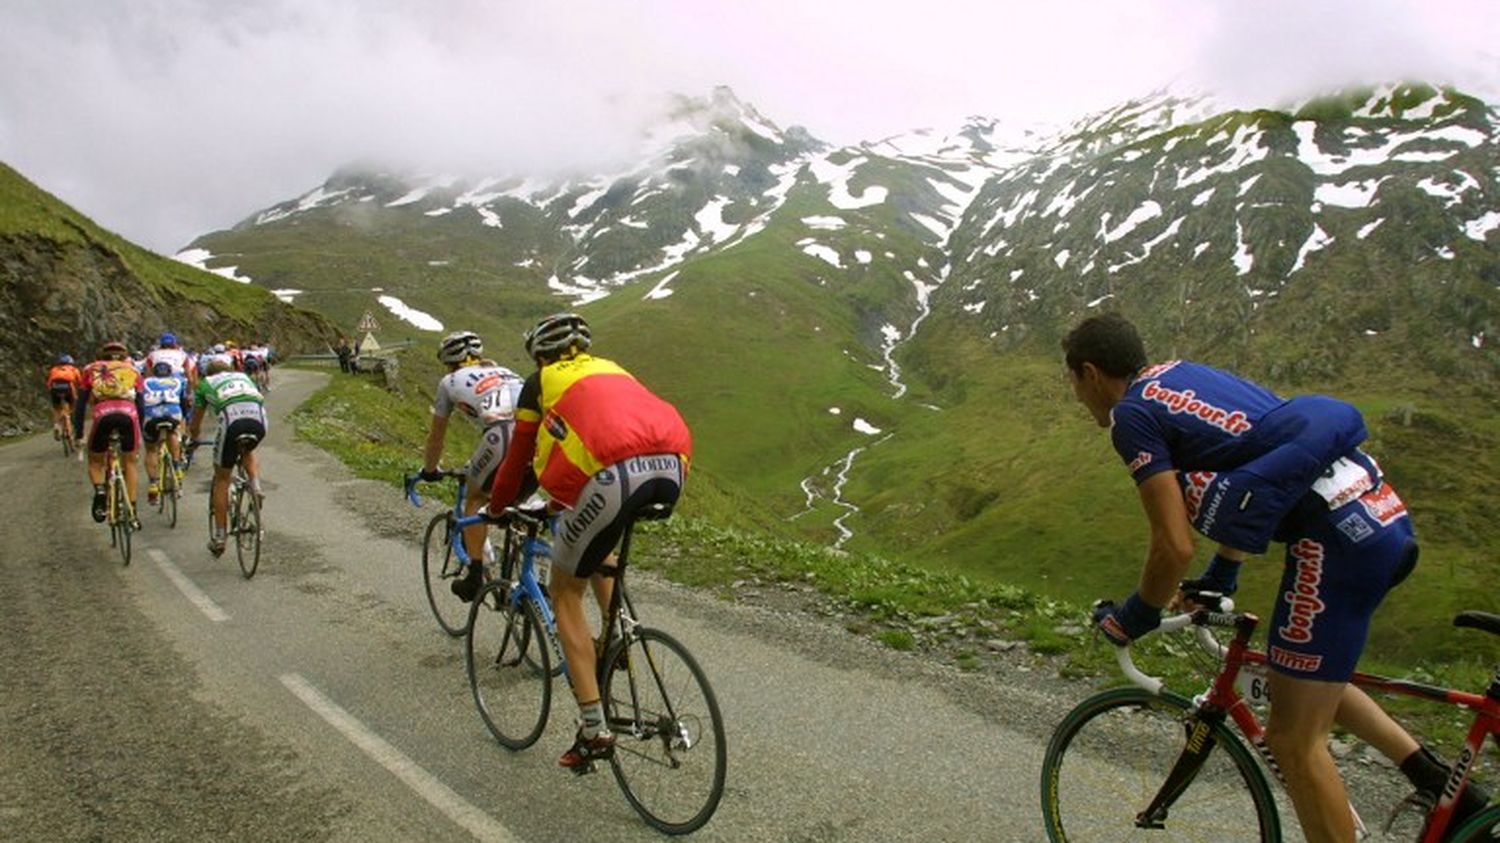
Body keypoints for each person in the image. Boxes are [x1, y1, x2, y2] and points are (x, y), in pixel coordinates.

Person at [1064, 313, 1487, 842]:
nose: (1077, 396)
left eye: (1073, 383)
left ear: (1089, 373)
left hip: (1336, 541)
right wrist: (1225, 569)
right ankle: (1444, 786)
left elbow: (1173, 543)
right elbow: (1273, 461)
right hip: (1380, 511)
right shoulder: (1182, 375)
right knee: (1302, 675)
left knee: (1292, 740)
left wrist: (1135, 615)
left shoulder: (1132, 415)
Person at [489, 312, 692, 770]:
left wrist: (498, 508)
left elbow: (518, 455)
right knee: (600, 551)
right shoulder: (612, 368)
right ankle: (617, 634)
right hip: (672, 466)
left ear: (540, 354)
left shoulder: (540, 382)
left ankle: (593, 729)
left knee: (564, 591)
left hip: (614, 475)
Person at [417, 331, 524, 599]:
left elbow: (436, 436)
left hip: (502, 434)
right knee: (520, 498)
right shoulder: (504, 370)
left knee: (475, 497)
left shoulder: (449, 381)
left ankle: (475, 575)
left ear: (448, 362)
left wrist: (430, 470)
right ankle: (525, 565)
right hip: (542, 434)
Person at [187, 357, 267, 557]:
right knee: (248, 450)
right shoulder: (242, 376)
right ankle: (256, 486)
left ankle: (220, 537)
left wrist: (193, 439)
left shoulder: (206, 384)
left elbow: (195, 421)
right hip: (258, 419)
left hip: (232, 422)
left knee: (222, 478)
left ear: (208, 374)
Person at [74, 341, 143, 526]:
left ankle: (100, 491)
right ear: (124, 355)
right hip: (128, 415)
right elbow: (141, 402)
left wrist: (79, 432)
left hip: (102, 414)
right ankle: (132, 510)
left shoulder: (91, 369)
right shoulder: (133, 370)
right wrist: (141, 429)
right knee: (130, 462)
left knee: (96, 460)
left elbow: (80, 405)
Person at [140, 361, 189, 505]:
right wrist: (184, 419)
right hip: (172, 413)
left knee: (151, 449)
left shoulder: (145, 382)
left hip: (152, 415)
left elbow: (140, 402)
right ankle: (177, 465)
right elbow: (184, 402)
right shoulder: (178, 381)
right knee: (173, 432)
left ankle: (153, 483)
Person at [45, 353, 83, 446]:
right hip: (69, 389)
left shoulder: (54, 369)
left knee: (57, 409)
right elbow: (80, 383)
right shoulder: (74, 370)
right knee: (73, 404)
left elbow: (49, 383)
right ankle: (69, 416)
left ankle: (56, 425)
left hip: (55, 389)